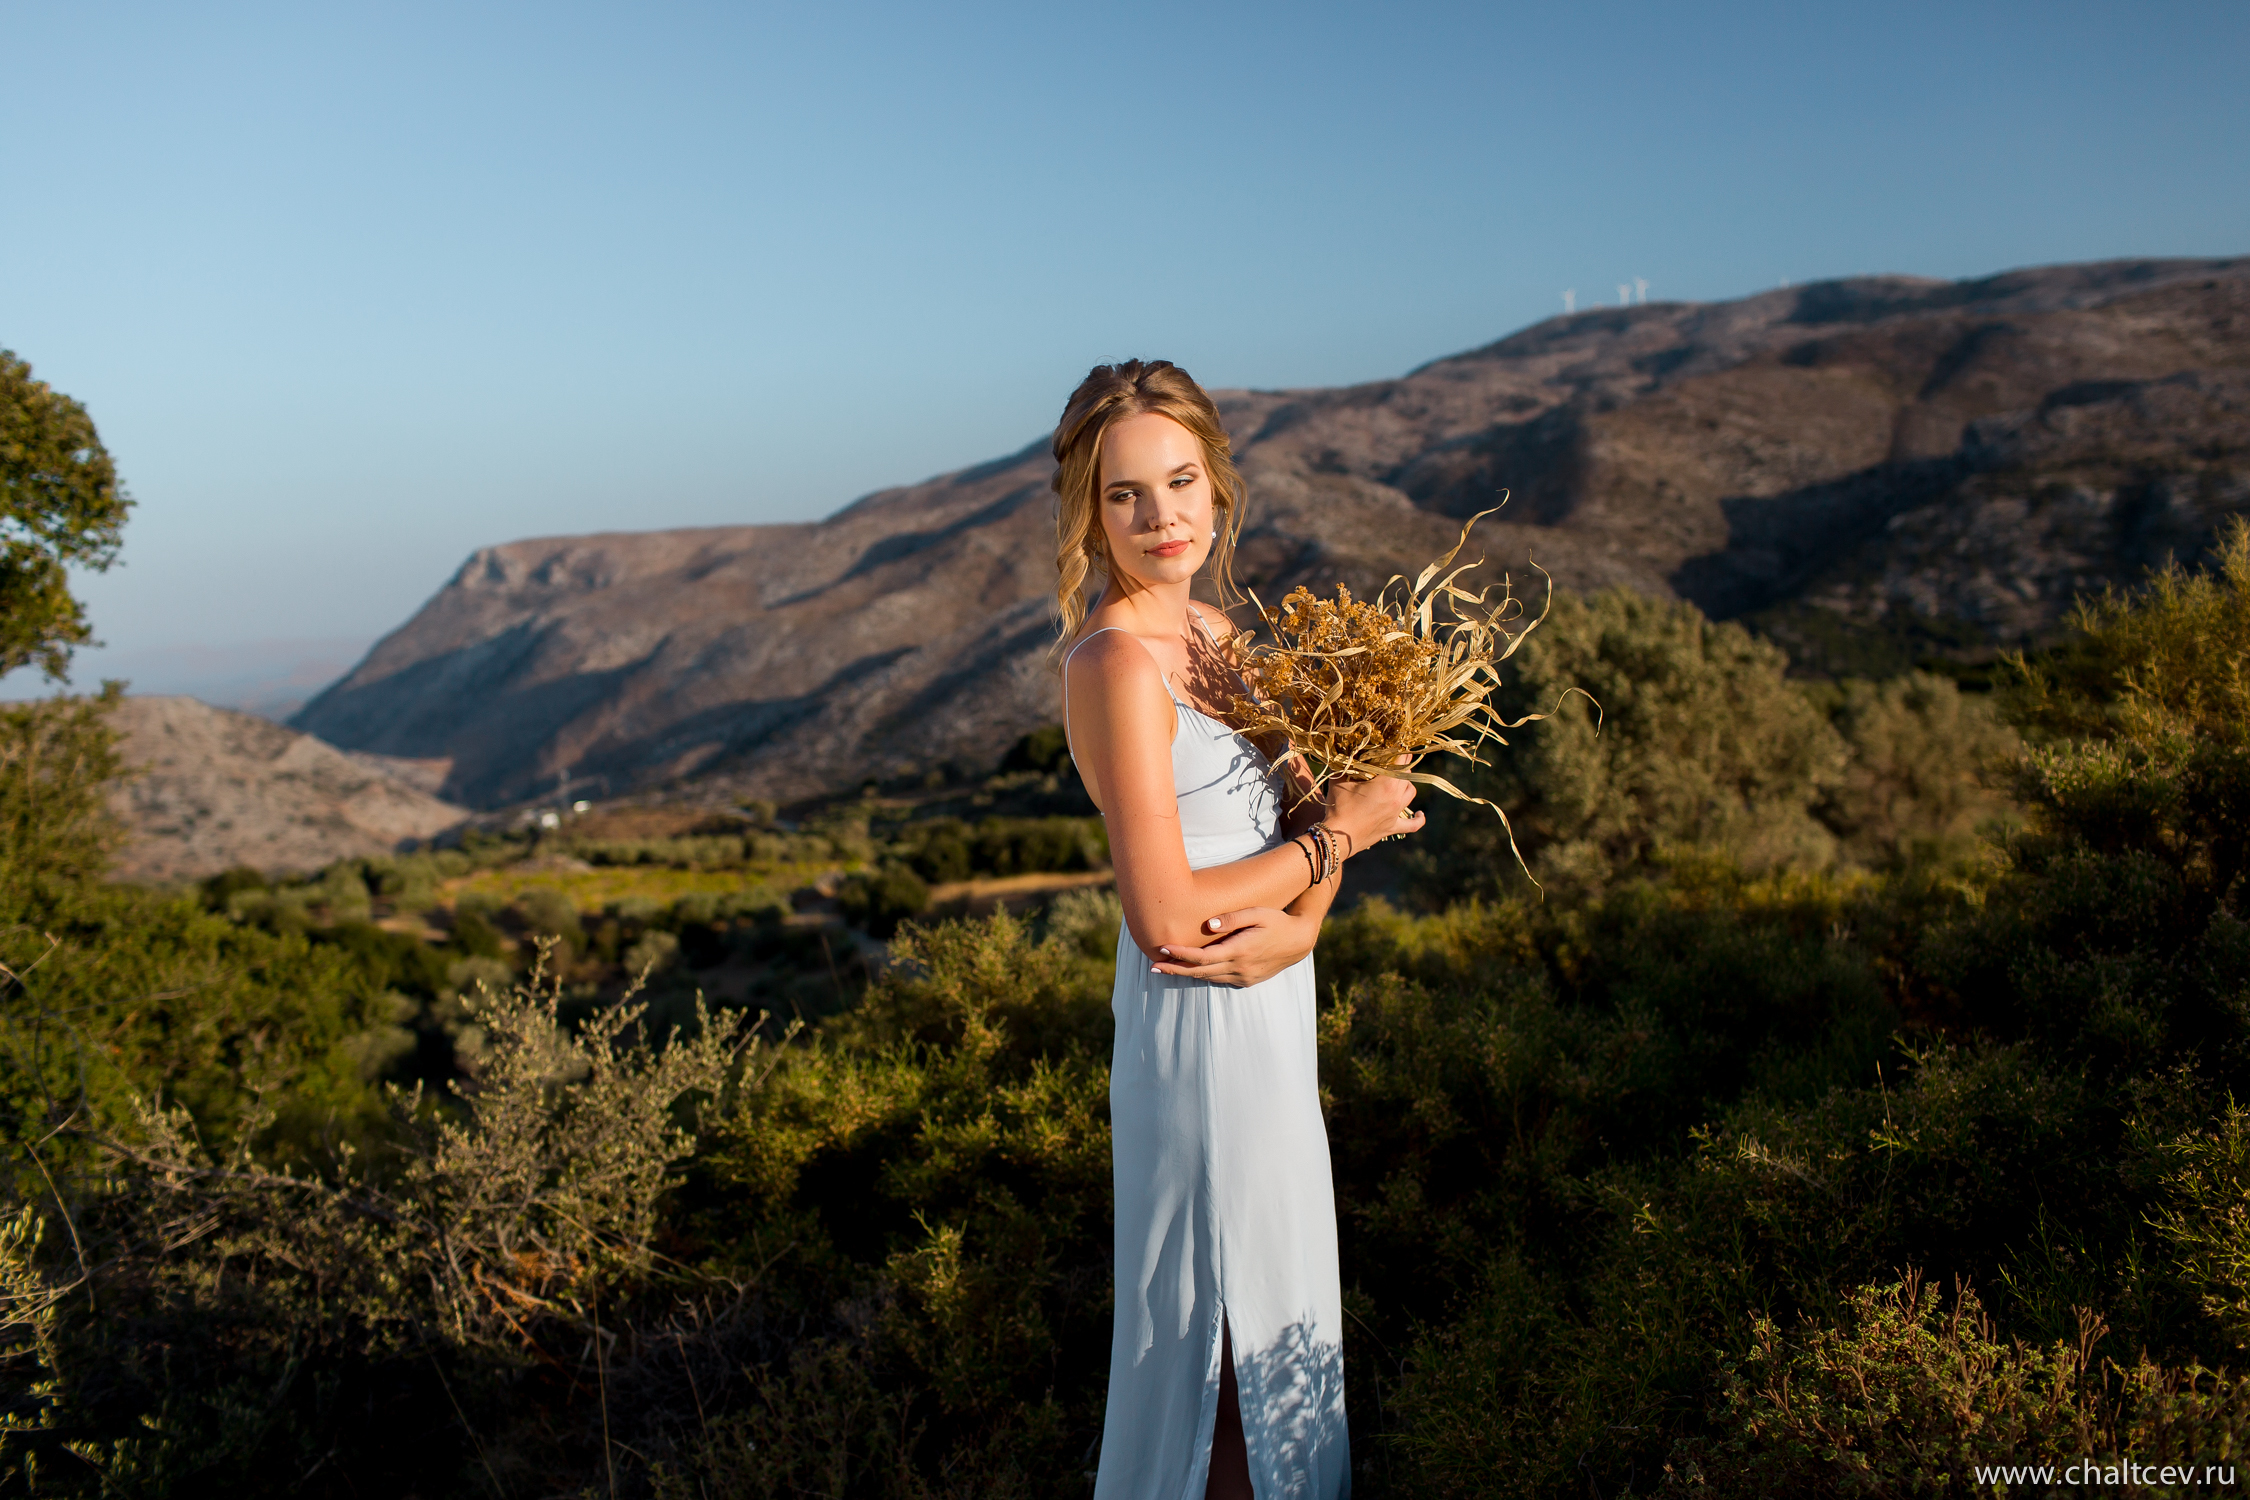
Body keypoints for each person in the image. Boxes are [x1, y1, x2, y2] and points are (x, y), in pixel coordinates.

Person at [1054, 360, 1421, 1499]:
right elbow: (1167, 912)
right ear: (1090, 512)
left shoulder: (1223, 637)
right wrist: (1339, 845)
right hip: (1196, 1033)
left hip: (1271, 1017)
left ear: (1217, 484)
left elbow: (1308, 818)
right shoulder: (1114, 664)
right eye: (1124, 494)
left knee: (1281, 1322)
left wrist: (1305, 927)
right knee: (1218, 1359)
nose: (1159, 516)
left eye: (1179, 482)